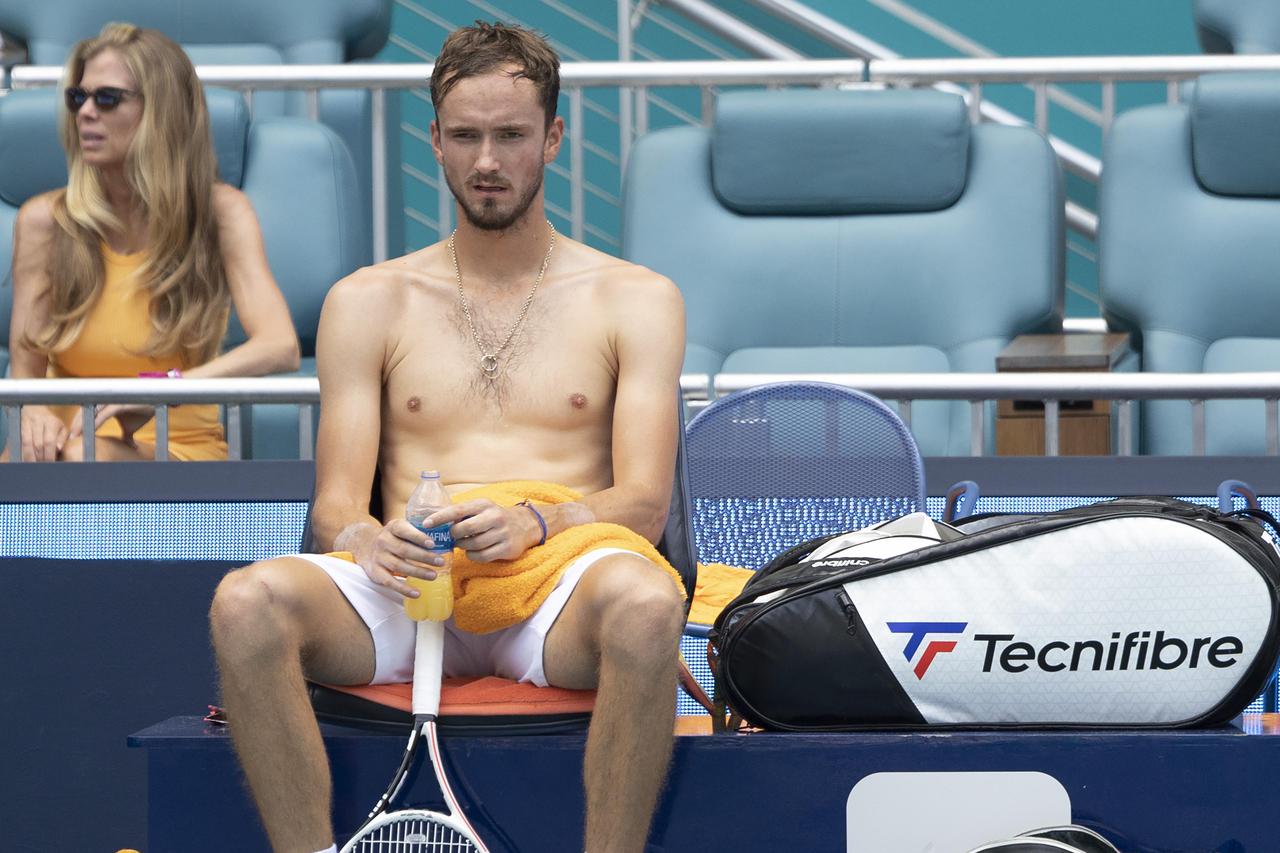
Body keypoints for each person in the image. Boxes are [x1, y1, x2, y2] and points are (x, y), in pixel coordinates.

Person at [209, 20, 687, 853]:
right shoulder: (367, 301)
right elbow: (334, 507)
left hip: (556, 588)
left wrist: (538, 522)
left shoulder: (637, 299)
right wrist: (367, 537)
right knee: (246, 604)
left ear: (555, 137)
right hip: (412, 590)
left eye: (511, 135)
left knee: (650, 606)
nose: (487, 161)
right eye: (465, 136)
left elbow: (643, 504)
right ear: (434, 139)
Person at [6, 23, 299, 462]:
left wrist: (166, 390)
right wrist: (33, 412)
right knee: (35, 461)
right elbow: (26, 368)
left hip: (176, 453)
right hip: (61, 454)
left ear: (161, 111)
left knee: (86, 457)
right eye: (77, 97)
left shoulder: (220, 212)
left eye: (107, 98)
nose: (86, 112)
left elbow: (280, 345)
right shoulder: (44, 221)